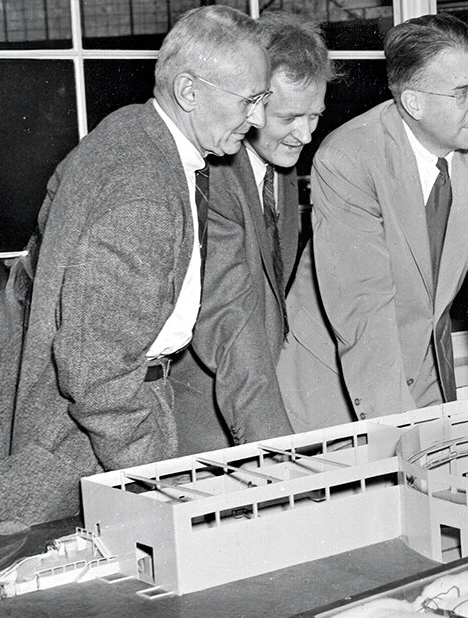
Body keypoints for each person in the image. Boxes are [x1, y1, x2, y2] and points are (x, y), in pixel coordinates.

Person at [0, 5, 270, 535]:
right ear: (189, 92)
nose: (258, 119)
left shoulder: (133, 129)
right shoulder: (143, 195)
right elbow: (96, 372)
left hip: (62, 407)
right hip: (76, 438)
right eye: (250, 100)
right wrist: (155, 478)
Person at [278, 13, 468, 430]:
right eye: (462, 93)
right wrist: (398, 433)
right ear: (413, 103)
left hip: (425, 366)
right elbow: (363, 309)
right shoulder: (349, 158)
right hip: (336, 376)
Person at [170, 11, 337, 455]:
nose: (305, 135)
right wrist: (279, 453)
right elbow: (230, 320)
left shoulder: (280, 165)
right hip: (203, 417)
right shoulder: (213, 179)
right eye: (290, 117)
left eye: (315, 116)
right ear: (252, 102)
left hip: (254, 399)